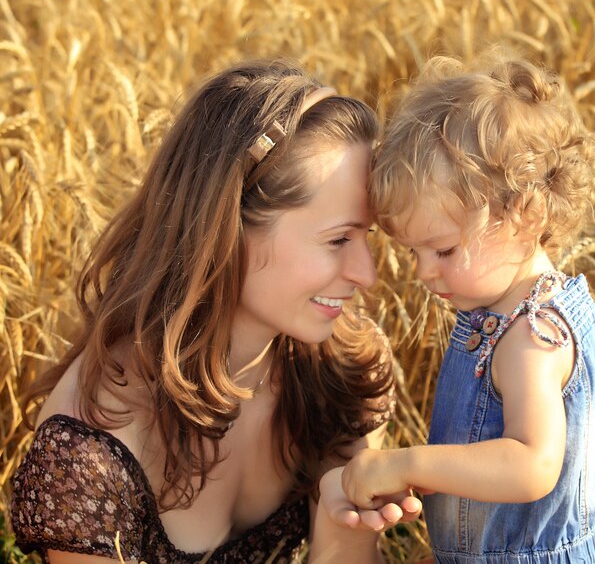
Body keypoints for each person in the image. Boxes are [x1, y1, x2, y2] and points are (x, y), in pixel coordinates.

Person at [11, 59, 420, 564]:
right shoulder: (94, 452)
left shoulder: (344, 372)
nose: (367, 274)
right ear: (227, 232)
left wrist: (343, 535)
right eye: (338, 239)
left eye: (367, 237)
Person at [340, 54, 595, 563]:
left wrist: (409, 465)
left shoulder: (532, 340)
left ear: (527, 215)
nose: (423, 272)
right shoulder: (518, 317)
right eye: (413, 252)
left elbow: (532, 465)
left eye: (442, 250)